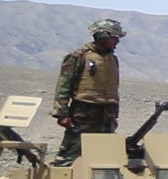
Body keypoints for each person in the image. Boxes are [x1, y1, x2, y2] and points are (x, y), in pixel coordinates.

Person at [50, 16, 125, 163]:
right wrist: (62, 113)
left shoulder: (112, 59)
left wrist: (114, 115)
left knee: (104, 156)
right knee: (71, 154)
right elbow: (64, 86)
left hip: (107, 113)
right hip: (84, 112)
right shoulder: (79, 57)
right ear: (103, 36)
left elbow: (113, 88)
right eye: (114, 37)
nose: (117, 42)